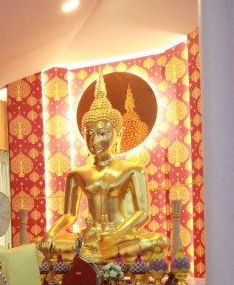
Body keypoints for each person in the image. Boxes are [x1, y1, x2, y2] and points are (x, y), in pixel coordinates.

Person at [36, 72, 168, 263]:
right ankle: (99, 257)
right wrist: (51, 233)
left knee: (159, 242)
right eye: (90, 134)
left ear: (118, 133)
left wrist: (115, 233)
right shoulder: (77, 174)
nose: (95, 140)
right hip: (90, 238)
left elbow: (142, 214)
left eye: (103, 133)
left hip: (119, 237)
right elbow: (69, 215)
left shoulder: (133, 170)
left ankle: (93, 257)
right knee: (38, 245)